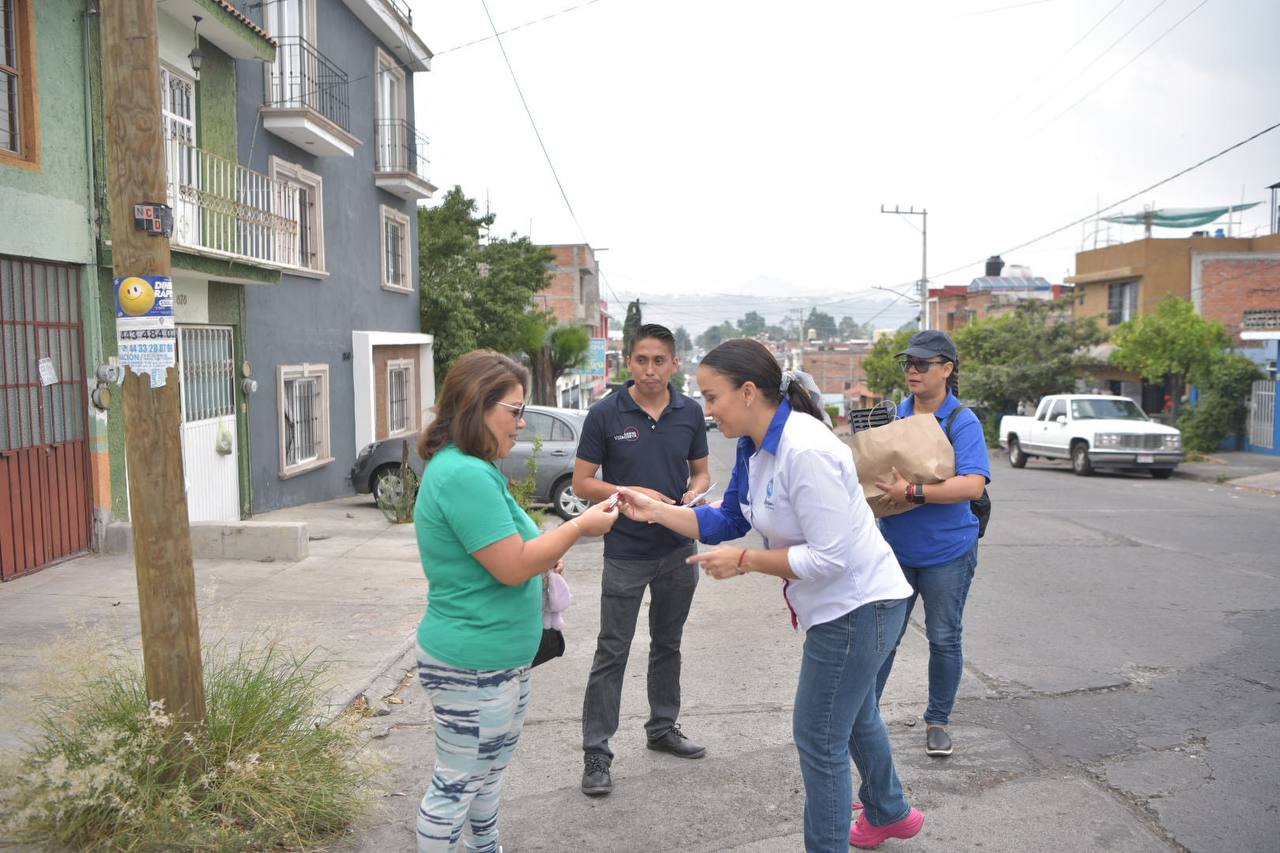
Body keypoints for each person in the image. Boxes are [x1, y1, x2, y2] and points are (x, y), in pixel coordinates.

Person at [617, 338, 925, 852]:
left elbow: (831, 559)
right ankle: (890, 811)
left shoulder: (807, 451)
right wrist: (654, 510)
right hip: (843, 606)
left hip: (858, 606)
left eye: (712, 398)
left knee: (820, 736)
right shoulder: (755, 445)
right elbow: (730, 518)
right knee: (853, 715)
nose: (708, 411)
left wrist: (744, 562)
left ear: (749, 391)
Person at [412, 350, 619, 853]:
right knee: (457, 785)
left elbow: (515, 550)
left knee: (486, 776)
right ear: (477, 407)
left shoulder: (473, 468)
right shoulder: (463, 474)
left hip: (499, 658)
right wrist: (577, 528)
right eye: (515, 410)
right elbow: (511, 566)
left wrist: (546, 557)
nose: (522, 424)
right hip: (472, 662)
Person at [572, 324, 711, 796]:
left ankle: (662, 728)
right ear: (627, 362)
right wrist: (629, 493)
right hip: (626, 552)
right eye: (640, 360)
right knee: (612, 648)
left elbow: (702, 472)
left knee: (667, 644)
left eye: (659, 361)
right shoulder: (606, 413)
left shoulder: (690, 412)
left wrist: (694, 495)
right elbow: (583, 483)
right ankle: (597, 752)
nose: (650, 370)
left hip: (677, 549)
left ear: (674, 364)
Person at [873, 329, 991, 759]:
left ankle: (937, 720)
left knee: (943, 637)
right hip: (896, 549)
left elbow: (973, 484)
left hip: (948, 552)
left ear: (947, 369)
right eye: (908, 363)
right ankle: (865, 716)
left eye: (922, 364)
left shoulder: (962, 420)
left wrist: (914, 492)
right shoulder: (893, 415)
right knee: (882, 637)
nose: (912, 371)